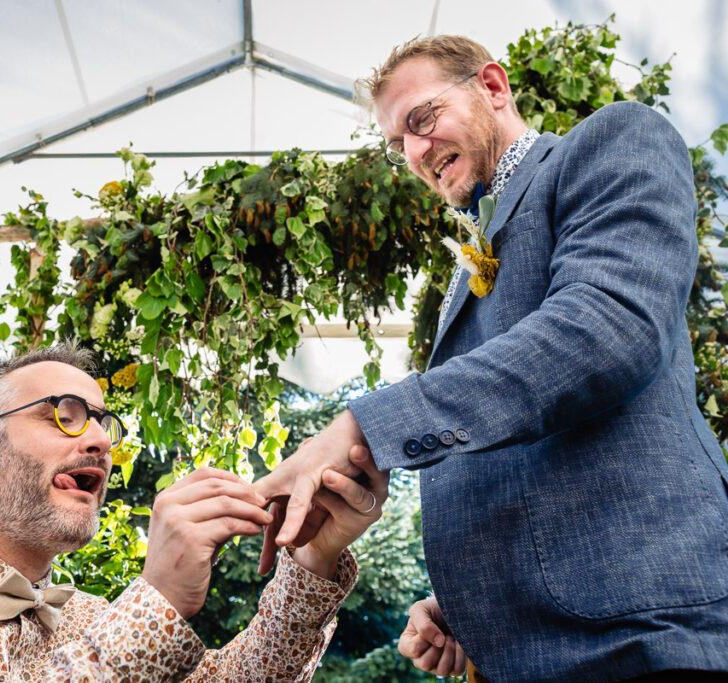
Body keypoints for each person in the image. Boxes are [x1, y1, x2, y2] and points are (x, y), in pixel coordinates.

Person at [255, 34, 728, 682]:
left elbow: (605, 329)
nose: (414, 153)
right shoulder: (467, 263)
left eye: (423, 118)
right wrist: (474, 607)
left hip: (642, 640)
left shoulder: (613, 140)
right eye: (398, 143)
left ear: (493, 86)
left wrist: (366, 424)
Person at [0, 344, 388, 681]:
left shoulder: (91, 617)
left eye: (104, 422)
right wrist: (158, 602)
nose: (103, 441)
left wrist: (313, 559)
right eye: (64, 414)